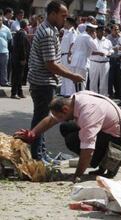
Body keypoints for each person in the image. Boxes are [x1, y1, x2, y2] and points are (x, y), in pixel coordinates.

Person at [15, 90, 121, 182]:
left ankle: (111, 160)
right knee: (65, 127)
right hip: (108, 130)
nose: (58, 119)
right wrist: (33, 133)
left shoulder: (88, 112)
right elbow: (51, 120)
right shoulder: (74, 100)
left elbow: (88, 148)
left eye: (59, 116)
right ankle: (102, 165)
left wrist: (77, 175)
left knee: (73, 140)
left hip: (120, 139)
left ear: (65, 109)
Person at [27, 0, 84, 162]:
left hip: (46, 82)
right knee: (41, 118)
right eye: (62, 15)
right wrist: (72, 76)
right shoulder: (47, 33)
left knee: (45, 117)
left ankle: (42, 153)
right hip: (43, 82)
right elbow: (51, 64)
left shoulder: (50, 30)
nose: (65, 19)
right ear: (52, 14)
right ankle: (37, 156)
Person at [70, 23, 103, 91]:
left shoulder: (80, 35)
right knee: (82, 83)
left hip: (75, 61)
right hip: (82, 62)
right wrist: (94, 38)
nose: (95, 33)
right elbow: (96, 47)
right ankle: (80, 100)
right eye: (94, 31)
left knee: (75, 83)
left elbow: (73, 49)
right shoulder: (87, 37)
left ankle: (75, 98)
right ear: (91, 31)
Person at [89, 26, 113, 96]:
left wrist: (110, 53)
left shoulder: (108, 41)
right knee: (93, 80)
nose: (102, 32)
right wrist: (99, 53)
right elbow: (89, 51)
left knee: (104, 81)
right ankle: (93, 95)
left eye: (103, 31)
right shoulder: (92, 41)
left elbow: (111, 50)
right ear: (97, 32)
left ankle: (103, 96)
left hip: (105, 63)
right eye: (100, 31)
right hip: (94, 62)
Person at [11, 19, 30, 99]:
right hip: (19, 59)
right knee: (17, 76)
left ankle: (19, 92)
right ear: (25, 26)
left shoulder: (19, 33)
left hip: (16, 58)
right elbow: (22, 47)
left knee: (19, 76)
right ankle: (14, 93)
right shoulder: (22, 34)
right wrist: (23, 58)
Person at [60, 17, 78, 97]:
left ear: (70, 23)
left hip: (67, 55)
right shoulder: (66, 32)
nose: (64, 23)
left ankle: (69, 93)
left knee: (67, 74)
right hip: (63, 55)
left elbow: (73, 43)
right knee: (63, 74)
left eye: (66, 22)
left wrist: (69, 55)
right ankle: (64, 92)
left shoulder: (72, 32)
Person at [107, 24, 121, 99]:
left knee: (119, 78)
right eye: (115, 29)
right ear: (111, 30)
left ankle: (119, 94)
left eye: (118, 29)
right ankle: (110, 94)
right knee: (110, 78)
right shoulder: (108, 38)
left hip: (120, 59)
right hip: (111, 59)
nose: (116, 31)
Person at [0, 16, 12, 87]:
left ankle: (4, 82)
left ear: (2, 21)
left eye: (0, 20)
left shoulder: (6, 29)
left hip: (4, 51)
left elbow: (10, 39)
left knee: (4, 68)